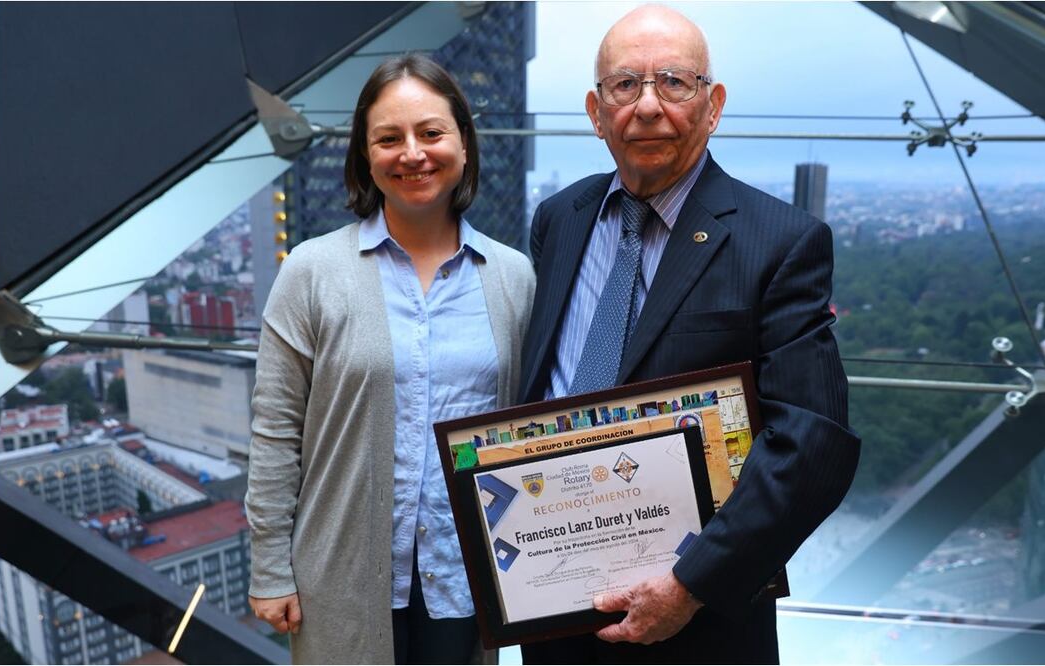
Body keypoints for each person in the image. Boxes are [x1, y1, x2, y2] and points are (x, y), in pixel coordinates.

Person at [518, 6, 860, 664]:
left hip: (700, 627)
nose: (647, 106)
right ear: (595, 112)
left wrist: (690, 585)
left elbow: (813, 444)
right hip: (556, 607)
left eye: (673, 82)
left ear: (713, 105)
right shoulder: (559, 218)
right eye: (625, 85)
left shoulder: (779, 242)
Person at [245, 54, 535, 664]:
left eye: (431, 132)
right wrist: (270, 568)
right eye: (388, 138)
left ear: (463, 143)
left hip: (466, 575)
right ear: (365, 154)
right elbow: (276, 432)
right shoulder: (311, 271)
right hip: (339, 576)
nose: (412, 154)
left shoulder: (513, 278)